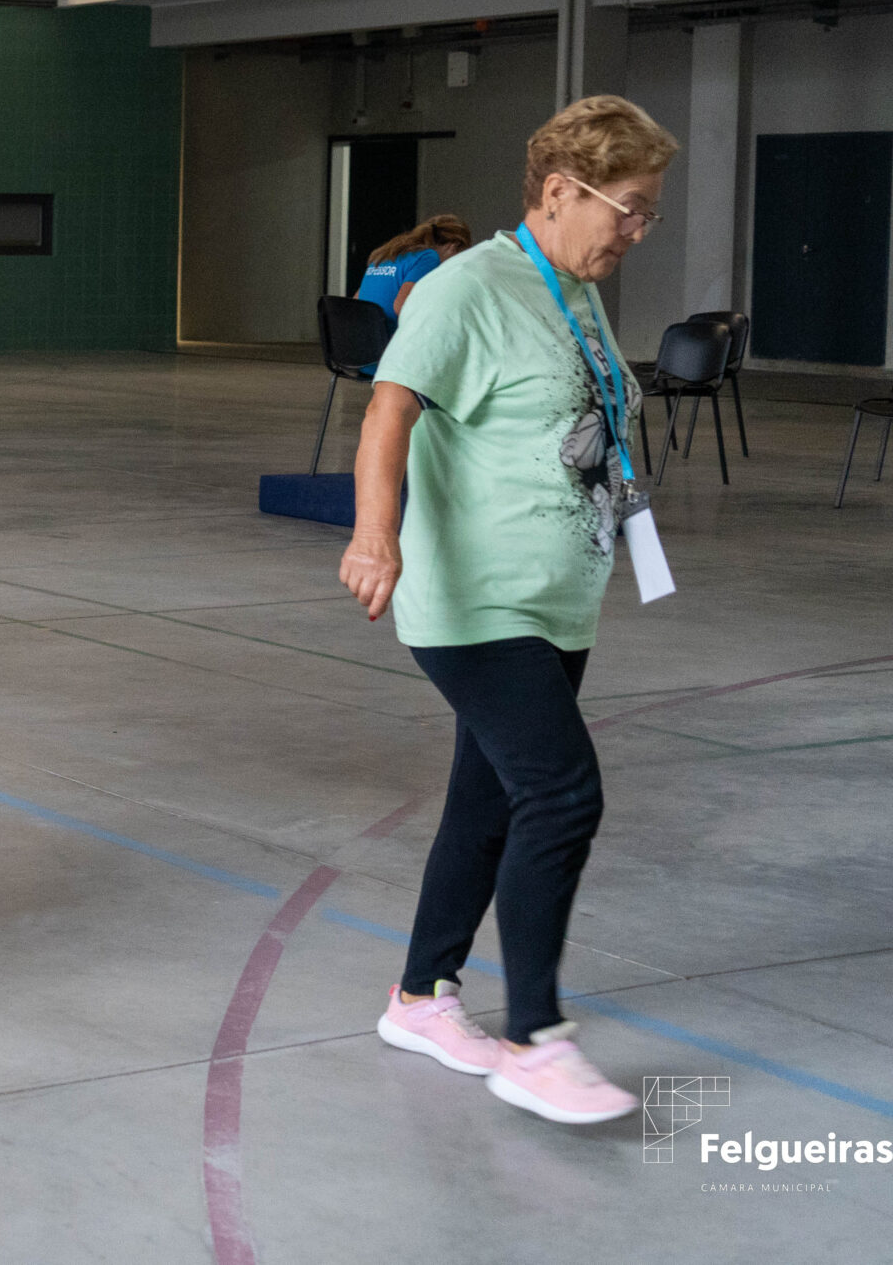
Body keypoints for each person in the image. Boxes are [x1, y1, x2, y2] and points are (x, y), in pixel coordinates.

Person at [340, 95, 678, 1127]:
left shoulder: (573, 289)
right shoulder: (464, 288)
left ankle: (417, 998)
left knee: (485, 805)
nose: (634, 231)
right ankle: (534, 1038)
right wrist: (373, 533)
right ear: (556, 191)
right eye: (626, 208)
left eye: (646, 215)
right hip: (473, 600)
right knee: (562, 794)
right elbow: (388, 409)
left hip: (554, 600)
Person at [356, 213, 471, 321]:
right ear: (454, 246)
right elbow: (402, 307)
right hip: (391, 338)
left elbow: (356, 301)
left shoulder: (387, 253)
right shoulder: (428, 256)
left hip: (364, 336)